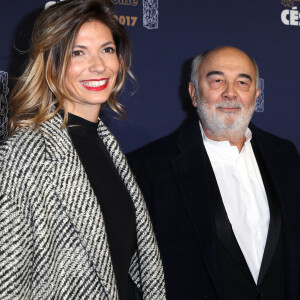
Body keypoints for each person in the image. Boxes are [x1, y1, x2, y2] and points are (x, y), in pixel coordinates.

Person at [0, 0, 166, 299]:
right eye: (78, 52)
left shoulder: (106, 146)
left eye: (107, 49)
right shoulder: (22, 156)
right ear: (50, 63)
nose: (99, 65)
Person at [127, 46, 300, 300]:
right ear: (194, 93)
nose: (230, 93)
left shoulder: (285, 155)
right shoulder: (148, 168)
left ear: (256, 95)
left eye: (242, 82)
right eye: (217, 81)